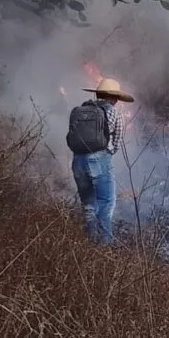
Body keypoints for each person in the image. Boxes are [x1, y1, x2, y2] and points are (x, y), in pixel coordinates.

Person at [65, 77, 134, 245]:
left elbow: (71, 135)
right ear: (113, 97)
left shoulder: (82, 109)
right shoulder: (114, 113)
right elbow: (116, 142)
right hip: (99, 160)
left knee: (88, 203)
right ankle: (104, 245)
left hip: (77, 161)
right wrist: (106, 154)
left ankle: (90, 239)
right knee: (106, 202)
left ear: (98, 95)